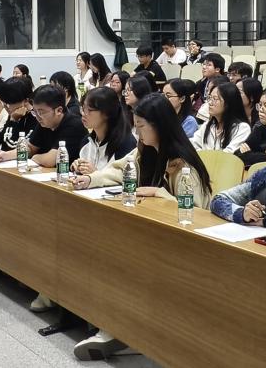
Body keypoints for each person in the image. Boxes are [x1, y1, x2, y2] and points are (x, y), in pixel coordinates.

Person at [71, 94, 213, 360]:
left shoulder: (183, 165)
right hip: (150, 235)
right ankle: (115, 326)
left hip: (181, 244)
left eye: (141, 126)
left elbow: (195, 212)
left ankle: (121, 330)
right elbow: (118, 170)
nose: (137, 132)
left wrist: (159, 193)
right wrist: (91, 179)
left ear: (159, 126)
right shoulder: (143, 150)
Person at [0, 84, 87, 167]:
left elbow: (50, 160)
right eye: (35, 112)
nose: (37, 117)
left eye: (41, 112)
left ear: (59, 110)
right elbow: (30, 148)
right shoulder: (44, 122)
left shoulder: (74, 125)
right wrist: (4, 155)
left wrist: (35, 157)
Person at [70, 87, 137, 176]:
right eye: (83, 108)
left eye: (89, 110)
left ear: (107, 113)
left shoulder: (126, 144)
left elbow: (125, 179)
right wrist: (77, 168)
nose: (83, 114)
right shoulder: (86, 141)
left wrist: (96, 174)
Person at [191, 82, 252, 152]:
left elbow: (228, 154)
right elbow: (192, 144)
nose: (210, 103)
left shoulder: (242, 128)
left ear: (229, 102)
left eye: (215, 99)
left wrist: (202, 153)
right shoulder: (209, 124)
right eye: (210, 98)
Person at [0, 77, 39, 152]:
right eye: (4, 102)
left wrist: (13, 121)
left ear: (26, 100)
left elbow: (13, 147)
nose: (6, 106)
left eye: (9, 103)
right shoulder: (15, 114)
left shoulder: (35, 118)